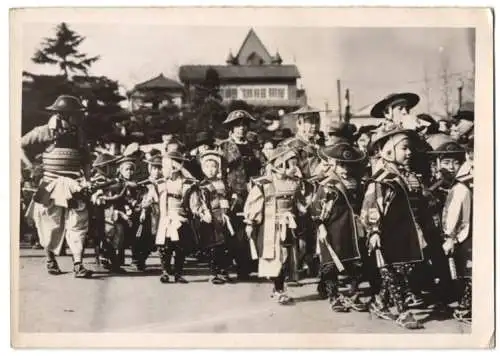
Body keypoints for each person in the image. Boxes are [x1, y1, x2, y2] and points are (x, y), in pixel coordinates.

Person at [360, 123, 427, 330]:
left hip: (403, 232)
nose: (409, 153)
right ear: (388, 150)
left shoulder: (403, 175)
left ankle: (379, 303)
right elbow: (372, 206)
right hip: (388, 234)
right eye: (404, 148)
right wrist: (374, 231)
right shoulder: (382, 180)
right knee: (393, 273)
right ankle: (403, 312)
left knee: (402, 271)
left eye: (409, 148)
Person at [21, 95, 93, 278]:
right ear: (64, 115)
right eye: (76, 114)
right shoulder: (44, 131)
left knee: (78, 222)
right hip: (49, 183)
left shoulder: (79, 133)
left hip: (74, 185)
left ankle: (78, 264)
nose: (79, 117)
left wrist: (88, 180)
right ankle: (50, 259)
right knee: (47, 222)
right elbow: (19, 144)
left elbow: (85, 160)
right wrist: (30, 166)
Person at [311, 142, 368, 312]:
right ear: (333, 164)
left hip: (352, 227)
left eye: (348, 165)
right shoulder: (327, 185)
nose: (344, 169)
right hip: (333, 228)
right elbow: (316, 207)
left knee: (355, 262)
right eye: (341, 165)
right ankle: (333, 296)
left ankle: (353, 293)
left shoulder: (356, 183)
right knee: (331, 263)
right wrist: (320, 225)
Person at [243, 146, 305, 305]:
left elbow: (299, 202)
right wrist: (250, 222)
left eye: (295, 164)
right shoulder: (265, 183)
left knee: (287, 257)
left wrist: (303, 208)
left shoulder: (295, 182)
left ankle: (280, 286)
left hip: (290, 224)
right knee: (276, 257)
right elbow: (254, 203)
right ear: (280, 164)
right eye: (290, 164)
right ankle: (278, 289)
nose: (294, 167)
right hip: (272, 226)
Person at [218, 110, 263, 280]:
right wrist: (223, 193)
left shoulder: (254, 146)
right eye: (237, 125)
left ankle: (248, 266)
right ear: (231, 128)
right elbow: (218, 172)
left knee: (251, 228)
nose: (241, 128)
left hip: (254, 192)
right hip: (233, 194)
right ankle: (232, 266)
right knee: (233, 230)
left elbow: (263, 166)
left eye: (244, 125)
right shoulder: (224, 147)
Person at [156, 151, 200, 284]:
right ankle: (165, 271)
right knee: (165, 246)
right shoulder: (162, 182)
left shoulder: (186, 183)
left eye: (166, 166)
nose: (163, 170)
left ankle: (178, 273)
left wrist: (181, 168)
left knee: (180, 247)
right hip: (166, 217)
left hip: (180, 217)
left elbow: (194, 191)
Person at [442, 138, 473, 324]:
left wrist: (450, 235)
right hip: (462, 235)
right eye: (447, 162)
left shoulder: (462, 184)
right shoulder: (461, 185)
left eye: (456, 162)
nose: (453, 167)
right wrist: (450, 236)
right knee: (464, 272)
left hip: (466, 234)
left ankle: (465, 306)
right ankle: (463, 306)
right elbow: (453, 213)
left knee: (467, 272)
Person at [196, 149, 234, 284]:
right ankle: (214, 272)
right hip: (210, 217)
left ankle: (224, 270)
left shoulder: (224, 183)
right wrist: (204, 212)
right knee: (212, 245)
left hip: (223, 216)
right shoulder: (201, 185)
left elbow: (227, 197)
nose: (211, 170)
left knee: (225, 245)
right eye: (207, 166)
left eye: (214, 166)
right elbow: (199, 201)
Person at [135, 151, 163, 271]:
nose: (157, 172)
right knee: (145, 236)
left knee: (161, 237)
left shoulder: (164, 183)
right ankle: (140, 259)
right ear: (150, 169)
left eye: (159, 169)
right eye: (154, 169)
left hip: (161, 211)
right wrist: (143, 209)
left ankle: (164, 262)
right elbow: (141, 200)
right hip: (148, 213)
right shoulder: (144, 184)